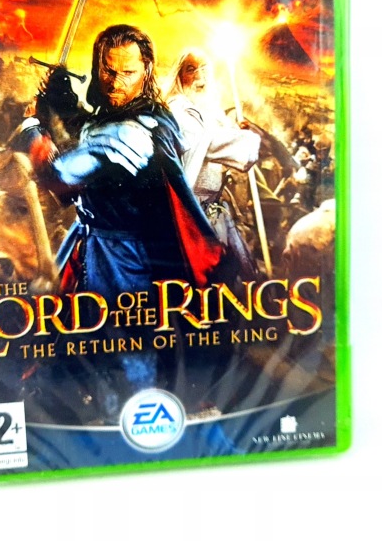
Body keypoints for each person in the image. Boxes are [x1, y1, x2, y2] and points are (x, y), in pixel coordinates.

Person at [15, 25, 225, 417]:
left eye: (127, 72)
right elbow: (91, 130)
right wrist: (61, 99)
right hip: (94, 245)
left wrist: (31, 128)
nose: (115, 82)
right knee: (79, 334)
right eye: (108, 70)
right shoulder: (129, 118)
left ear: (146, 70)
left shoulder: (136, 130)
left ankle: (135, 415)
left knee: (126, 342)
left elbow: (59, 177)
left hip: (123, 259)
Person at [165, 49, 264, 281]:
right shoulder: (178, 109)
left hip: (213, 208)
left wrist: (235, 130)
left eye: (204, 69)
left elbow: (217, 134)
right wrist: (248, 141)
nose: (199, 76)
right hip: (189, 212)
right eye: (191, 69)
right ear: (179, 76)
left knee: (233, 274)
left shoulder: (208, 110)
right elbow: (208, 142)